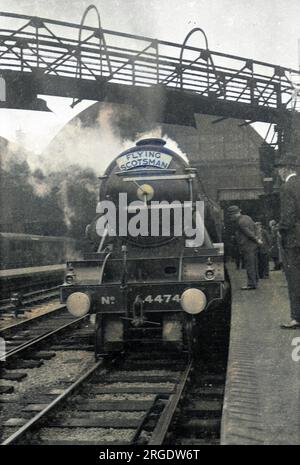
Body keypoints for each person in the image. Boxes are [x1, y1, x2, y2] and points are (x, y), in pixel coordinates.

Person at [276, 154, 300, 329]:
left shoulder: (286, 187)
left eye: (279, 169)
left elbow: (288, 217)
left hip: (293, 240)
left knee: (294, 280)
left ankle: (296, 318)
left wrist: (279, 227)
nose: (278, 172)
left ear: (286, 169)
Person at [227, 205, 262, 290]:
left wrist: (257, 239)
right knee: (254, 265)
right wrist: (259, 239)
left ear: (234, 214)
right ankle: (255, 282)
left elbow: (249, 234)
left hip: (247, 246)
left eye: (230, 215)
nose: (230, 218)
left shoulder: (240, 222)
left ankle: (251, 284)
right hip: (253, 246)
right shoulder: (248, 218)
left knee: (249, 265)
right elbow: (256, 228)